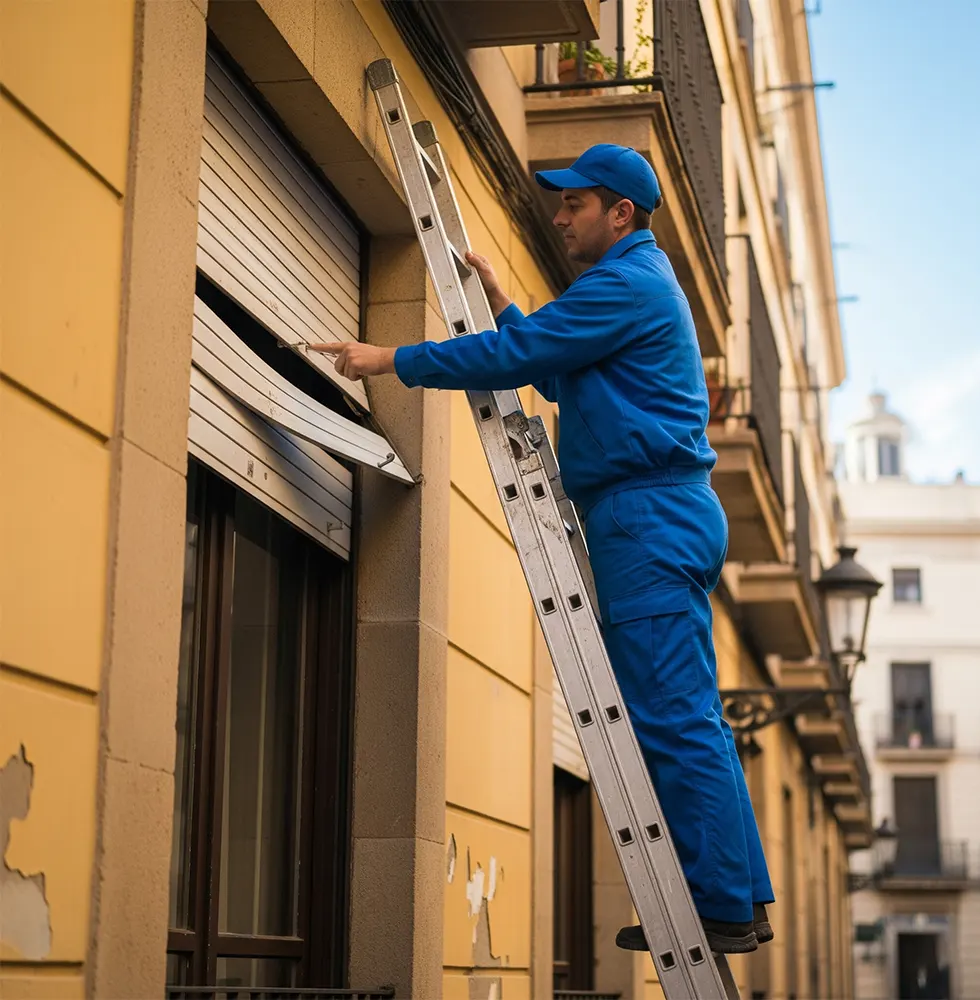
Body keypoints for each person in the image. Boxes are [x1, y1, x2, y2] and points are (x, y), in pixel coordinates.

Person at [309, 143, 774, 954]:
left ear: (620, 213)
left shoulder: (625, 284)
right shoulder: (632, 285)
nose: (559, 216)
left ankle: (721, 905)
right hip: (655, 512)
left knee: (672, 717)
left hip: (647, 517)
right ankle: (739, 899)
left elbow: (520, 360)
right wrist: (502, 302)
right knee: (688, 714)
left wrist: (389, 359)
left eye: (574, 203)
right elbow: (559, 371)